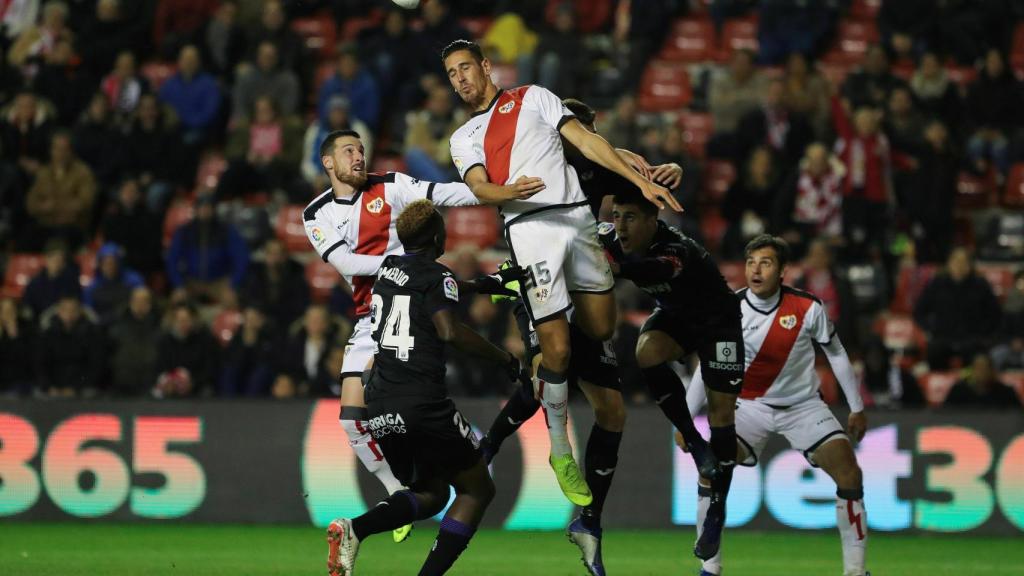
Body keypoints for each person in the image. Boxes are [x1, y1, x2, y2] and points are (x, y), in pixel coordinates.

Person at [442, 38, 676, 507]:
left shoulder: (534, 97)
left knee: (601, 327)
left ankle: (544, 341)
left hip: (577, 220)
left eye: (466, 67)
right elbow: (479, 188)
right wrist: (505, 189)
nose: (461, 78)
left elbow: (588, 142)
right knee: (560, 350)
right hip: (529, 228)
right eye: (452, 73)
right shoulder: (463, 137)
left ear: (486, 66)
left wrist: (640, 182)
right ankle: (560, 448)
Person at [479, 97, 683, 576]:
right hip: (542, 284)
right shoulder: (533, 163)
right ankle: (485, 450)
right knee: (544, 371)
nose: (580, 138)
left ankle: (588, 521)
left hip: (584, 289)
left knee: (612, 412)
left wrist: (669, 168)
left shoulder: (599, 167)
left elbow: (644, 177)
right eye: (573, 129)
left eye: (586, 130)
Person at [304, 128, 517, 544]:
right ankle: (395, 493)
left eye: (362, 148)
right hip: (371, 315)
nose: (359, 156)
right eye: (349, 151)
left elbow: (446, 194)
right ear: (328, 162)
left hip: (405, 308)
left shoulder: (392, 185)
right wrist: (408, 260)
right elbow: (345, 262)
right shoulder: (316, 213)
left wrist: (495, 192)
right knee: (350, 421)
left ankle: (410, 494)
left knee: (403, 400)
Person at [325, 200, 522, 576]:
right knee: (477, 490)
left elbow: (427, 286)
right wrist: (506, 360)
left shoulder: (387, 270)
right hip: (422, 403)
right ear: (437, 236)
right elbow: (449, 330)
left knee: (431, 495)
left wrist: (476, 285)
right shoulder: (437, 276)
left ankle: (356, 529)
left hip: (379, 404)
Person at [684, 234, 869, 576]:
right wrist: (685, 417)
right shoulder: (729, 308)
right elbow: (706, 363)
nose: (756, 270)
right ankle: (710, 569)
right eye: (751, 262)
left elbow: (837, 353)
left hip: (803, 407)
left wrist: (856, 407)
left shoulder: (807, 307)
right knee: (710, 470)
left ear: (783, 270)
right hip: (748, 407)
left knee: (849, 472)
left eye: (765, 263)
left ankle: (856, 572)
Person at [599, 190, 741, 561]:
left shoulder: (676, 248)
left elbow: (659, 269)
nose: (621, 225)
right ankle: (694, 442)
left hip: (718, 323)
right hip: (676, 316)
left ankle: (716, 511)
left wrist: (619, 269)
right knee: (646, 352)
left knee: (723, 417)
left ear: (652, 220)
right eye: (616, 216)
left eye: (630, 217)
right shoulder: (609, 238)